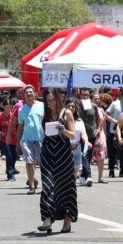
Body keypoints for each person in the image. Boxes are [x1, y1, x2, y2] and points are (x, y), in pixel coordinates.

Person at [37, 89, 77, 234]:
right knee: (47, 185)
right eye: (47, 101)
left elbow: (72, 135)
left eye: (53, 100)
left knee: (65, 187)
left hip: (63, 155)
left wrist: (63, 130)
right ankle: (47, 218)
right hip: (48, 153)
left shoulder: (66, 113)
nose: (50, 103)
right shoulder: (45, 114)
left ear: (58, 100)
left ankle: (67, 220)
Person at [16, 86, 45, 195]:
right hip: (27, 139)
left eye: (31, 92)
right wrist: (18, 143)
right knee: (29, 162)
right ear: (24, 95)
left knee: (43, 163)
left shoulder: (42, 105)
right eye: (26, 92)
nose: (29, 94)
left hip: (40, 139)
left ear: (35, 94)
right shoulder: (22, 110)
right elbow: (20, 126)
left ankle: (45, 185)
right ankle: (32, 186)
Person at [105, 88, 123, 178]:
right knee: (112, 152)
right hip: (113, 131)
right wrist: (113, 120)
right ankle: (111, 170)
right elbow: (106, 114)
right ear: (122, 95)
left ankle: (122, 170)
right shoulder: (115, 104)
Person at [65, 98, 88, 182]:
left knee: (76, 168)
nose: (71, 108)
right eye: (69, 106)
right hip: (67, 147)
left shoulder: (79, 121)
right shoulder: (63, 120)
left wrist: (86, 141)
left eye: (73, 106)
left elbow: (83, 133)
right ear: (65, 107)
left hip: (77, 147)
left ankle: (72, 186)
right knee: (67, 169)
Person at [0, 96, 17, 181]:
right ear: (3, 107)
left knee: (14, 156)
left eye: (9, 107)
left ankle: (9, 170)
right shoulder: (0, 116)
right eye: (6, 107)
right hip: (4, 139)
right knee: (9, 156)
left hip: (14, 139)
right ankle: (11, 175)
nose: (8, 109)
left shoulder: (13, 115)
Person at [91, 92, 109, 184]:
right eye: (95, 99)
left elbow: (104, 124)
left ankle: (100, 177)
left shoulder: (101, 110)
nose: (97, 100)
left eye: (98, 99)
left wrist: (105, 135)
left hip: (100, 135)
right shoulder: (88, 109)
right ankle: (86, 176)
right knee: (87, 155)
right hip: (90, 133)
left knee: (101, 156)